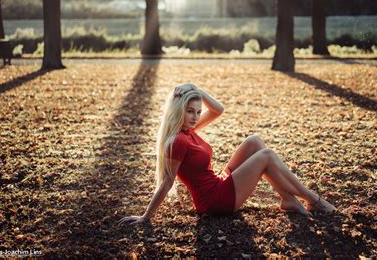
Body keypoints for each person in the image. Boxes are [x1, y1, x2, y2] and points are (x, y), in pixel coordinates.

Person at [117, 83, 336, 226]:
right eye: (189, 111)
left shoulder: (187, 130)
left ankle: (288, 199)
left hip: (218, 182)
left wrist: (198, 91)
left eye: (197, 111)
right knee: (266, 155)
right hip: (214, 201)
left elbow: (218, 110)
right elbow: (167, 181)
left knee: (254, 141)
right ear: (178, 111)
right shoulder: (178, 141)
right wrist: (146, 217)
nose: (194, 117)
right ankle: (312, 199)